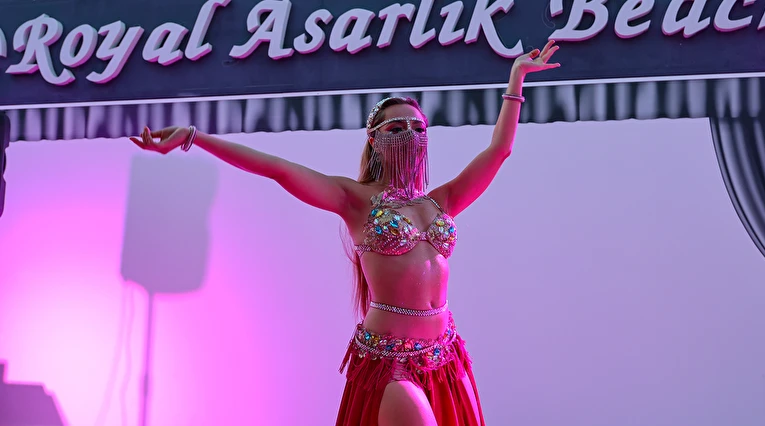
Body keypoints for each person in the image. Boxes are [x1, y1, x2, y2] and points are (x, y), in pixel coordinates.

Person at [130, 40, 560, 426]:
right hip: (391, 362)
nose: (409, 135)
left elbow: (499, 150)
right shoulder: (356, 199)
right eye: (396, 129)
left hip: (444, 356)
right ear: (374, 140)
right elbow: (278, 169)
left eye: (417, 128)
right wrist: (192, 137)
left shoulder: (440, 201)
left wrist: (516, 78)